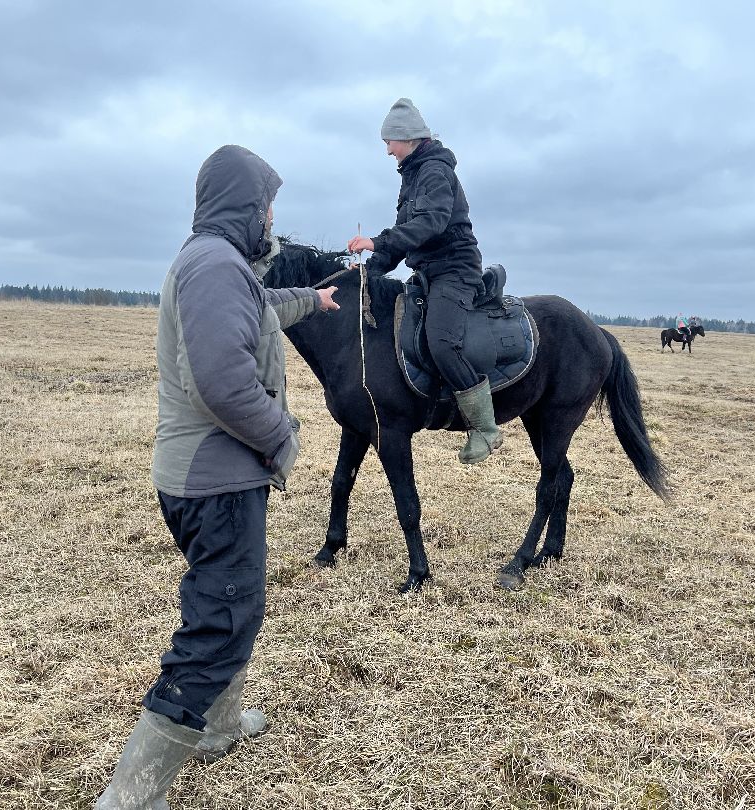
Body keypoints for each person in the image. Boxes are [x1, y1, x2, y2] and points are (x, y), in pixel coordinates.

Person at [94, 145, 339, 810]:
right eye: (267, 206)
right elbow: (222, 385)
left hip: (212, 478)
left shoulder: (224, 266)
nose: (272, 219)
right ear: (246, 207)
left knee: (235, 603)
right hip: (215, 482)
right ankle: (132, 796)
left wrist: (314, 300)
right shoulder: (213, 267)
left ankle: (220, 726)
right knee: (220, 623)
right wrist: (281, 438)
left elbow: (262, 306)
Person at [347, 97, 501, 464]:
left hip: (455, 269)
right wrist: (373, 267)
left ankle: (484, 427)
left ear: (407, 137)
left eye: (389, 142)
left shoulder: (433, 171)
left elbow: (429, 222)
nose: (386, 150)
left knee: (442, 341)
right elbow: (406, 233)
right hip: (428, 271)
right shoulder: (412, 175)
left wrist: (376, 241)